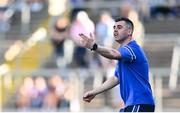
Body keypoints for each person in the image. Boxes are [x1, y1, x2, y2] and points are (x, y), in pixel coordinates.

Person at [78, 17, 155, 112]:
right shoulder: (124, 54)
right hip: (133, 104)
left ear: (129, 32)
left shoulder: (132, 48)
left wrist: (94, 46)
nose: (115, 30)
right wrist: (94, 92)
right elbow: (115, 78)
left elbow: (113, 54)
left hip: (139, 103)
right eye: (114, 28)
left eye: (119, 27)